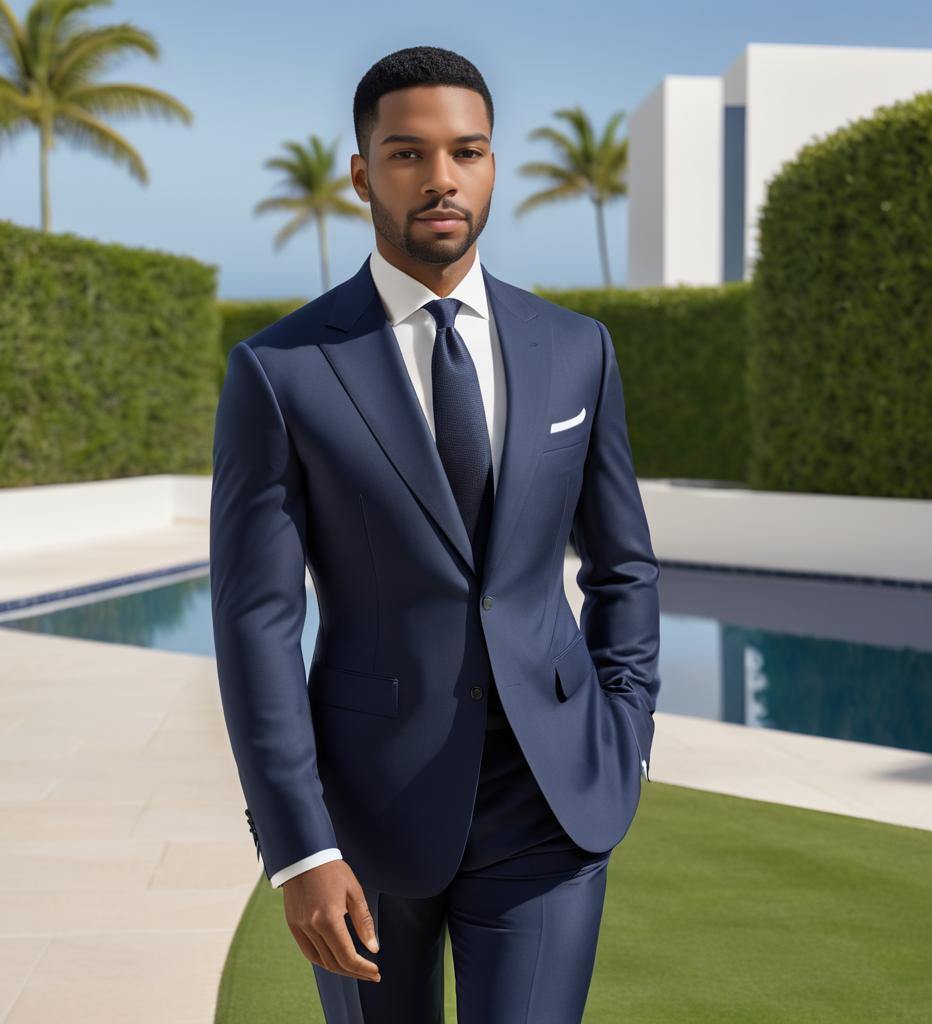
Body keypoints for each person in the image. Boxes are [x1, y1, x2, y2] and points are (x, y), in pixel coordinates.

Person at [209, 44, 660, 1024]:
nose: (442, 178)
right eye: (408, 154)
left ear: (494, 165)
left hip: (550, 803)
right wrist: (299, 846)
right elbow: (255, 624)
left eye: (468, 150)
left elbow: (623, 565)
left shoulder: (578, 349)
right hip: (364, 816)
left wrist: (626, 735)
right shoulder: (279, 372)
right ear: (364, 172)